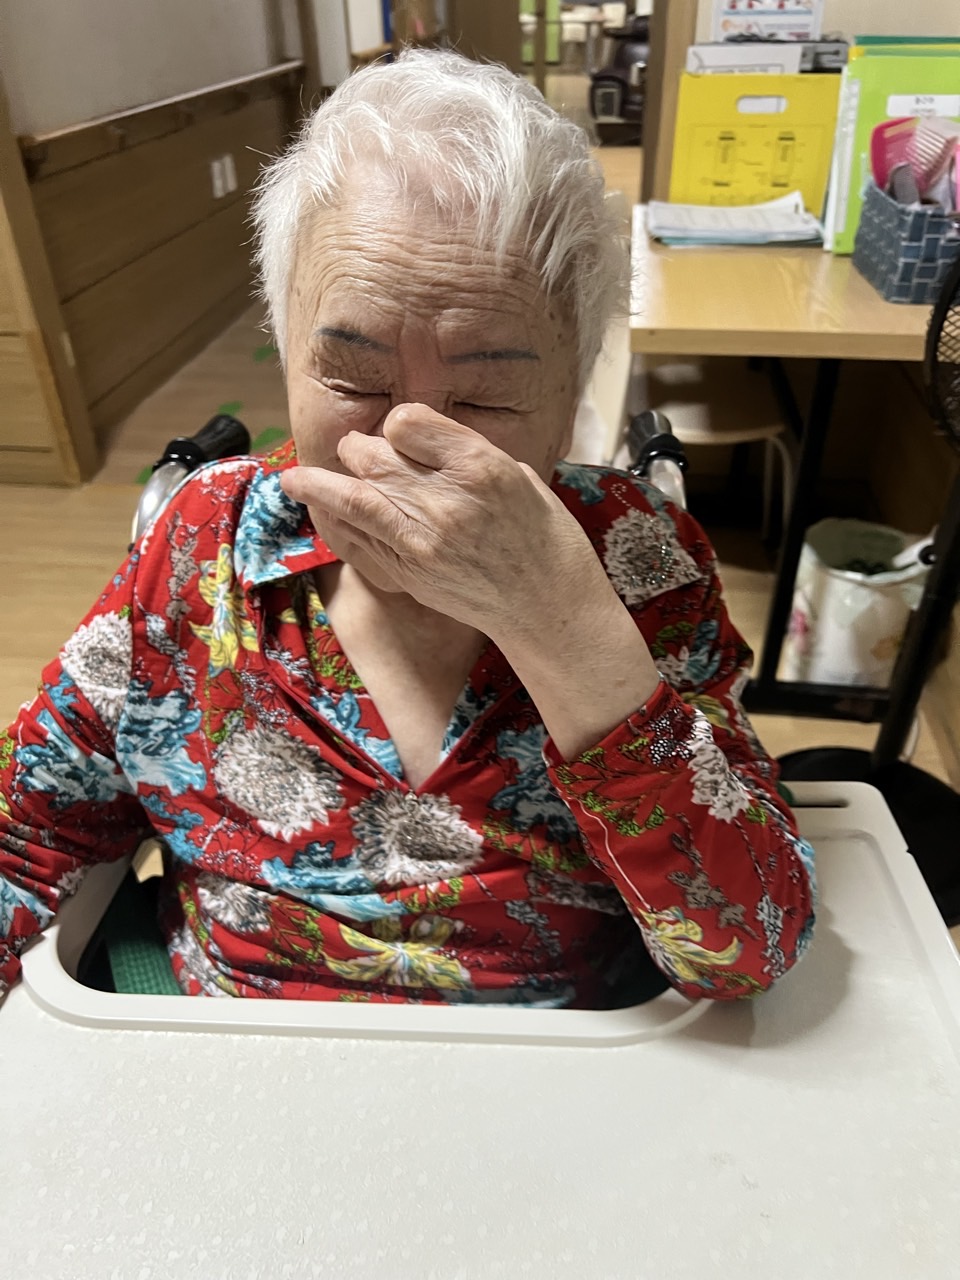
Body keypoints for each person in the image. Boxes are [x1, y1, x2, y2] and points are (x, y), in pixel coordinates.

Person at [0, 49, 814, 1008]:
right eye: (352, 378)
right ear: (287, 351)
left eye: (487, 396)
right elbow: (28, 834)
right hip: (231, 1061)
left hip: (558, 1072)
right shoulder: (200, 543)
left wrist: (567, 632)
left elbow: (746, 950)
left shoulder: (640, 560)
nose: (403, 444)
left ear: (573, 401)